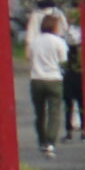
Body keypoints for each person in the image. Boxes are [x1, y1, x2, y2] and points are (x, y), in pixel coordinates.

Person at [25, 9, 70, 159]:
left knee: (40, 113)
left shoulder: (35, 42)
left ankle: (41, 140)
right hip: (54, 78)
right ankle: (50, 142)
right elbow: (63, 60)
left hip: (36, 79)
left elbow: (29, 57)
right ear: (55, 27)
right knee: (54, 112)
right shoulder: (59, 42)